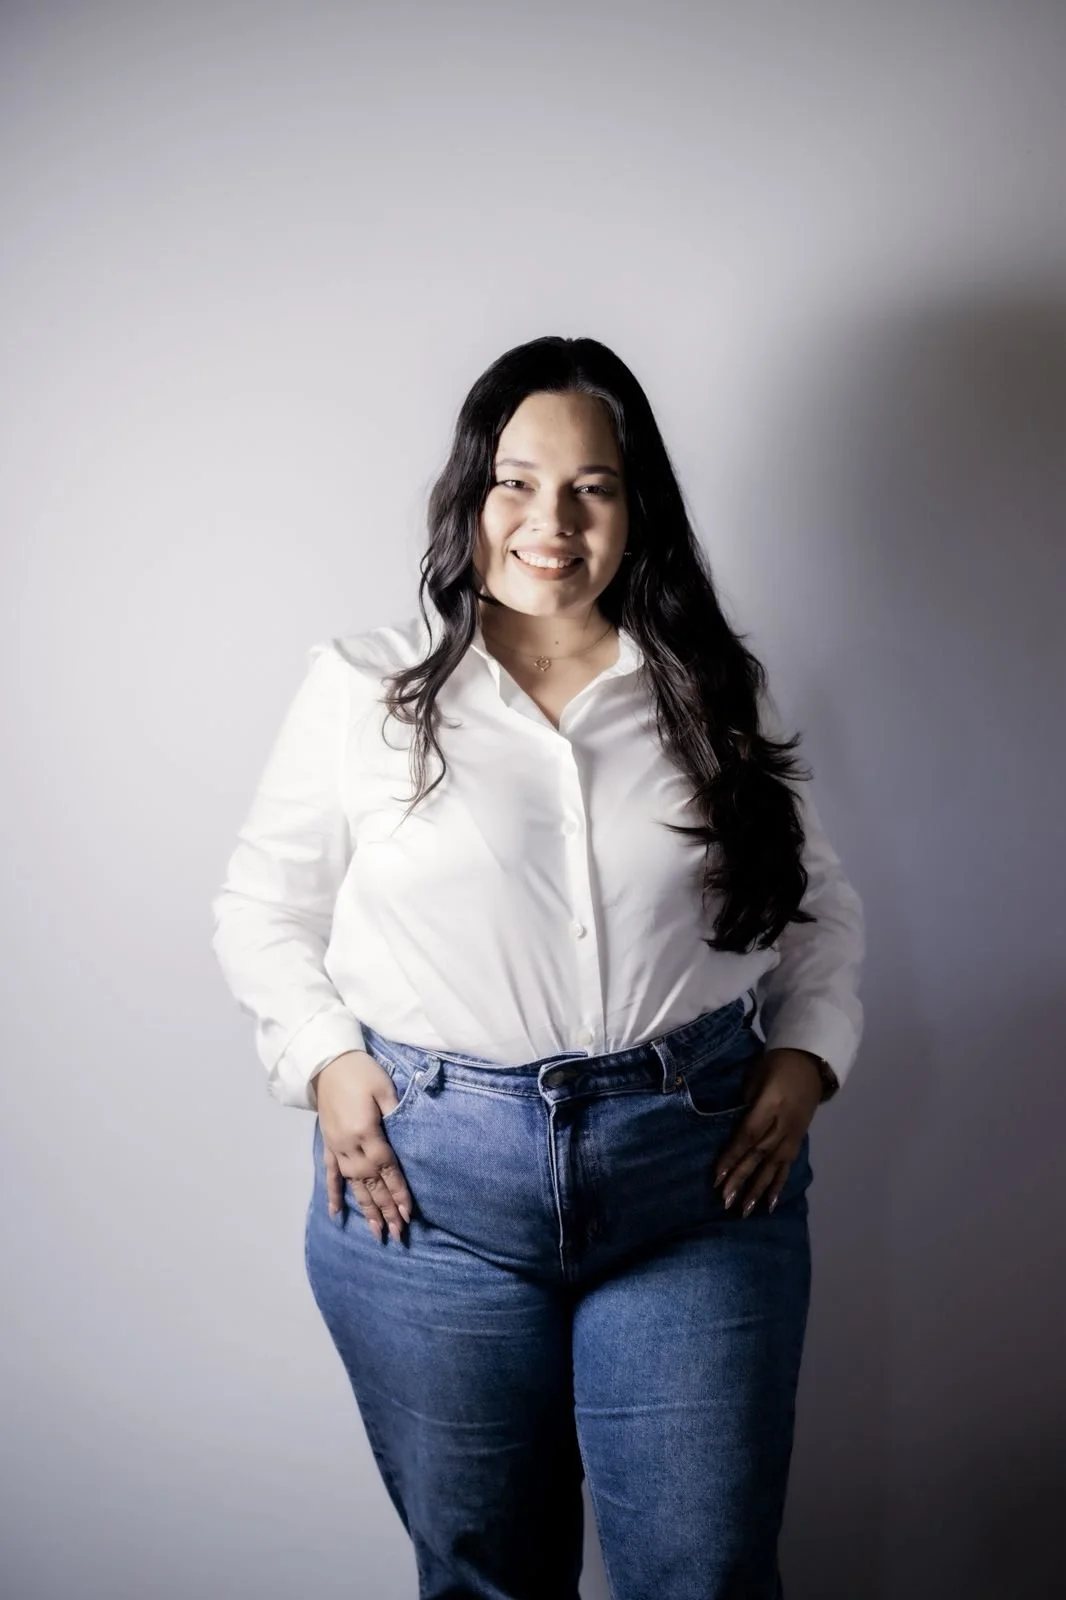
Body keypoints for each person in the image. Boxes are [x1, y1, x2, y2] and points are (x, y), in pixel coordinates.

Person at [210, 335, 865, 1600]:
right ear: (469, 496)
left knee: (705, 1572)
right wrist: (324, 1064)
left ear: (638, 508)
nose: (549, 522)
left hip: (697, 1179)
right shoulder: (365, 690)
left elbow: (815, 907)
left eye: (592, 487)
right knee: (485, 1578)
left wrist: (806, 1052)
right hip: (428, 1189)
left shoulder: (713, 688)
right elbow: (261, 905)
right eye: (515, 481)